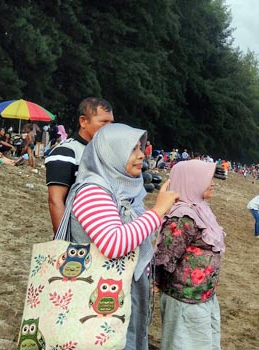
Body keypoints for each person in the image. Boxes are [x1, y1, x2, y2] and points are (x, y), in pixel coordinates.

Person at [54, 123, 179, 350]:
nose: (142, 154)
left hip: (116, 291)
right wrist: (158, 211)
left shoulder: (122, 189)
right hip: (97, 297)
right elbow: (113, 244)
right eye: (133, 149)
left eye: (141, 148)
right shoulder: (93, 190)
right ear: (111, 153)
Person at [154, 160, 225, 350]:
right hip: (184, 298)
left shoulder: (200, 208)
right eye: (207, 178)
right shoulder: (183, 216)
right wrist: (156, 281)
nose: (212, 183)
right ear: (192, 180)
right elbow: (165, 256)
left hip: (203, 295)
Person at [46, 97, 114, 233]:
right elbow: (55, 200)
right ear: (83, 121)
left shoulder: (107, 153)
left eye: (111, 123)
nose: (109, 128)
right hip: (78, 233)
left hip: (106, 233)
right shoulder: (65, 152)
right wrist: (63, 240)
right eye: (103, 122)